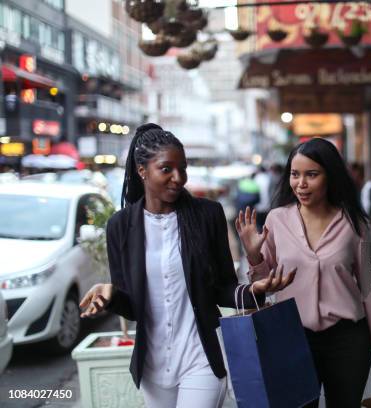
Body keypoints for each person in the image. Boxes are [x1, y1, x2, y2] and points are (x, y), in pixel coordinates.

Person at [79, 123, 295, 408]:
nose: (178, 178)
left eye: (183, 168)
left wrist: (255, 290)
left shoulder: (208, 215)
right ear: (142, 170)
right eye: (166, 169)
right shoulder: (120, 226)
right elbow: (133, 309)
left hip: (201, 359)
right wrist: (110, 295)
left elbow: (223, 289)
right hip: (152, 368)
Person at [235, 138, 371, 407]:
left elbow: (370, 292)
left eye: (312, 175)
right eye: (295, 175)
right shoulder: (277, 219)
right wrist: (253, 256)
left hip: (347, 341)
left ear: (329, 176)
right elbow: (264, 284)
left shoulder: (353, 224)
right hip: (292, 337)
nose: (301, 184)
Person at [253, 166, 271, 231]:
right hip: (268, 206)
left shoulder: (256, 178)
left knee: (259, 226)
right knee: (267, 226)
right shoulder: (268, 177)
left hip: (258, 206)